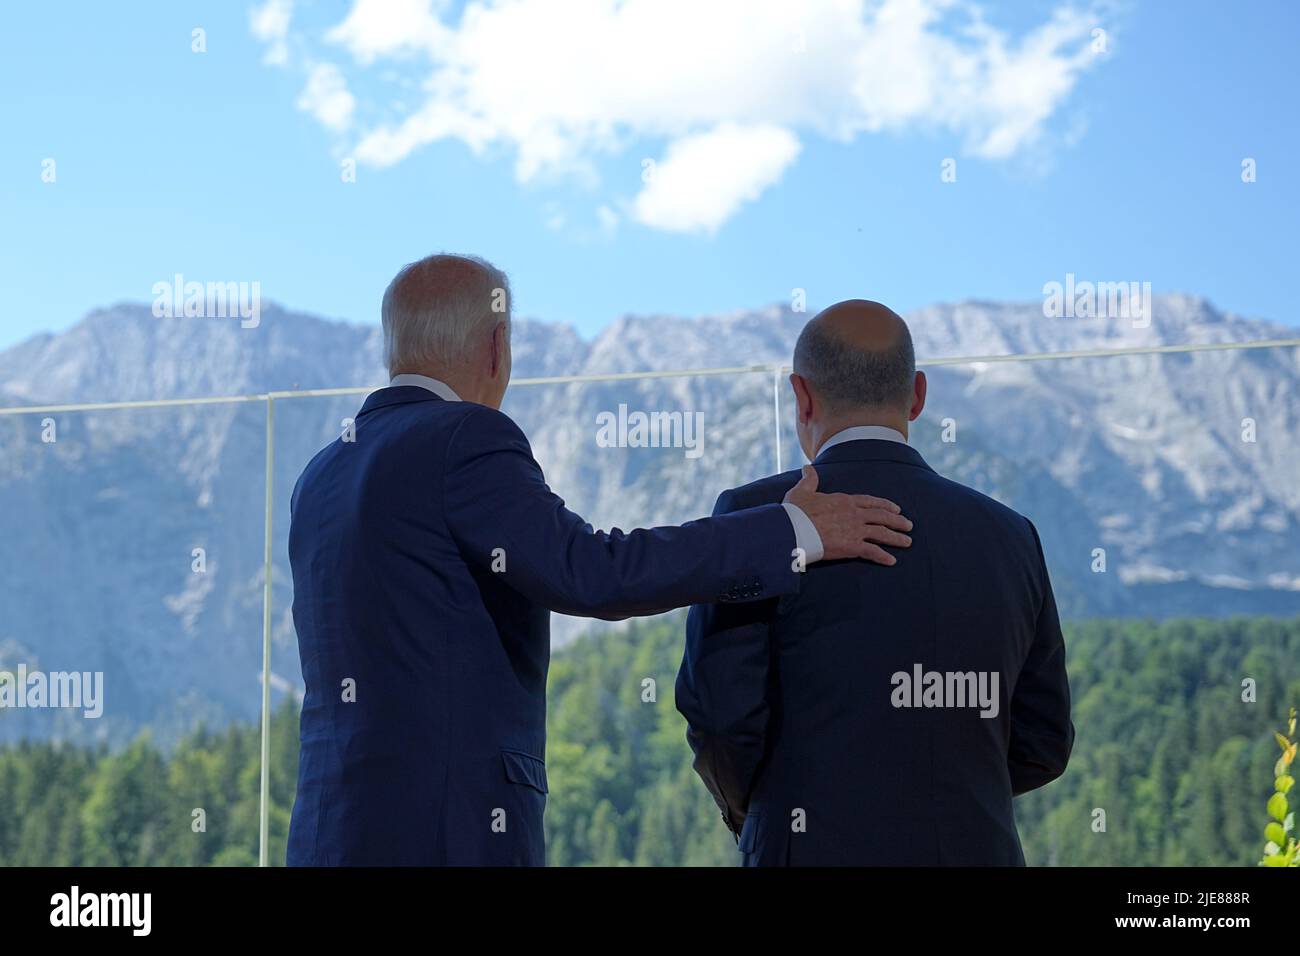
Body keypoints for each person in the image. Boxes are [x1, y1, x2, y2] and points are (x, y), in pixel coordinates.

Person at [286, 256, 913, 865]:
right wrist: (789, 530)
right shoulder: (464, 436)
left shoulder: (320, 474)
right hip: (450, 827)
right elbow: (593, 571)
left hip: (328, 828)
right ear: (498, 346)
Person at [676, 299, 1073, 866]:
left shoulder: (754, 519)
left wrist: (769, 815)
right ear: (917, 395)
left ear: (802, 396)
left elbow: (719, 718)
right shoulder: (1012, 536)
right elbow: (1044, 739)